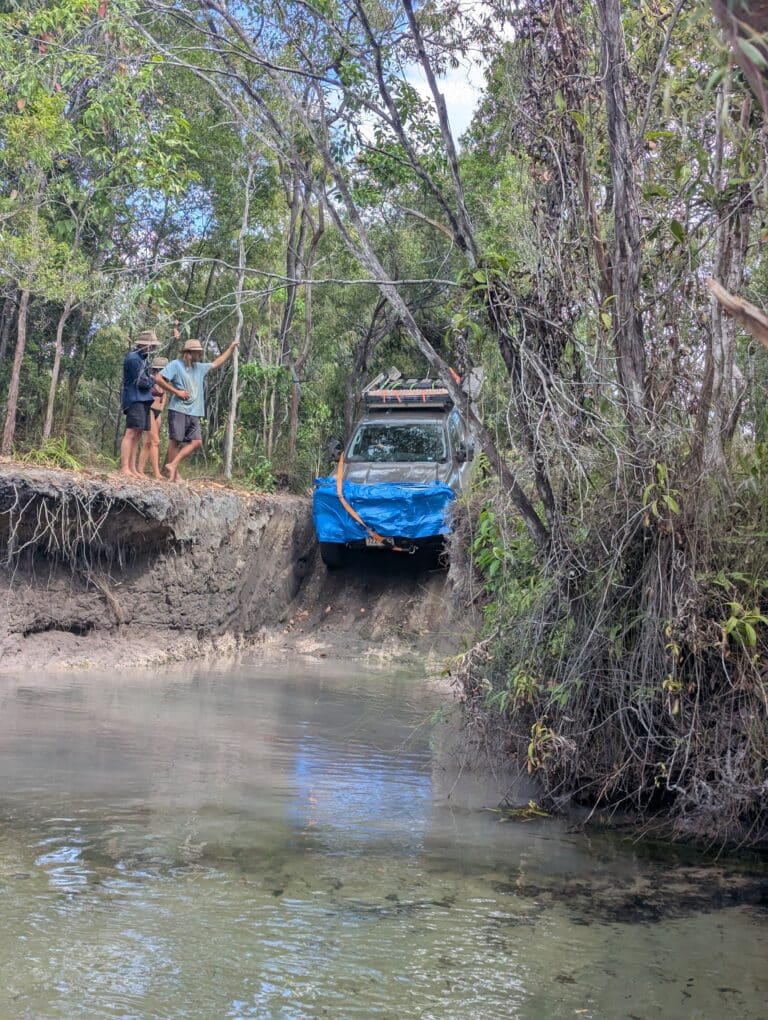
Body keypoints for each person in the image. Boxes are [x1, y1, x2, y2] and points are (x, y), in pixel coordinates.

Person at [159, 336, 239, 481]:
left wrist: (231, 349)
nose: (200, 354)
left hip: (194, 411)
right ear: (189, 353)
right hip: (178, 409)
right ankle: (174, 475)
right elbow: (159, 379)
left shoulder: (199, 368)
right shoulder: (176, 365)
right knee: (175, 441)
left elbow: (217, 362)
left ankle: (173, 465)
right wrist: (176, 392)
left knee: (196, 442)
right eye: (197, 352)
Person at [120, 330, 160, 478]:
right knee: (130, 432)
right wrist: (153, 380)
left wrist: (150, 379)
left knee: (137, 434)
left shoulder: (143, 359)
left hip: (143, 399)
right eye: (151, 346)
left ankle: (132, 468)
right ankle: (125, 467)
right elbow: (142, 382)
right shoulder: (133, 358)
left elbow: (146, 379)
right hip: (135, 398)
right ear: (143, 345)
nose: (152, 349)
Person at [137, 355, 169, 480]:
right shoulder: (150, 379)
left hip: (158, 412)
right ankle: (157, 473)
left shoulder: (165, 381)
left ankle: (140, 470)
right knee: (156, 441)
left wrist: (161, 408)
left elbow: (164, 395)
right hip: (149, 409)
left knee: (148, 442)